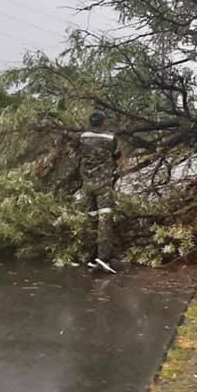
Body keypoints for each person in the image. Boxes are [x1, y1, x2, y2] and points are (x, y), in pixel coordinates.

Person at [78, 111, 121, 273]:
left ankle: (89, 256)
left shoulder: (83, 137)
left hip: (87, 184)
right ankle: (103, 258)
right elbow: (115, 154)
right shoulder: (110, 138)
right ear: (103, 122)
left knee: (90, 219)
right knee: (104, 220)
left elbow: (81, 154)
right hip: (103, 185)